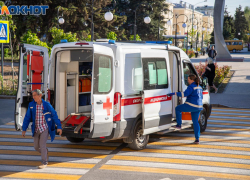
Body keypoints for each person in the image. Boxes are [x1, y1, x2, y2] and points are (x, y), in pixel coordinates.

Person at [22, 89, 62, 169]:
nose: (33, 97)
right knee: (36, 147)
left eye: (34, 95)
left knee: (42, 145)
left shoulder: (47, 105)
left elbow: (54, 115)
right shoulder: (31, 105)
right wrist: (24, 129)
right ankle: (45, 152)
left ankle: (44, 162)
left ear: (40, 95)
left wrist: (59, 127)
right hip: (36, 128)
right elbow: (27, 117)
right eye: (32, 95)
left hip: (44, 128)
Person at [167, 74, 203, 144]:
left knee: (178, 108)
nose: (188, 81)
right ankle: (197, 139)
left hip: (191, 105)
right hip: (199, 107)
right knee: (195, 122)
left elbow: (184, 94)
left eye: (188, 79)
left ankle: (179, 125)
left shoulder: (191, 86)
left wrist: (174, 93)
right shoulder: (200, 87)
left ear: (192, 80)